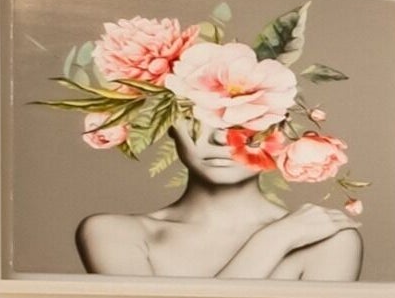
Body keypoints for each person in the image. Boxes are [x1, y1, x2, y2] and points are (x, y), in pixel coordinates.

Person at [75, 101, 361, 281]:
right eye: (195, 115)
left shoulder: (328, 240)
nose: (221, 137)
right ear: (168, 126)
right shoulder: (113, 233)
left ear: (282, 129)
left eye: (249, 117)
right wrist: (272, 241)